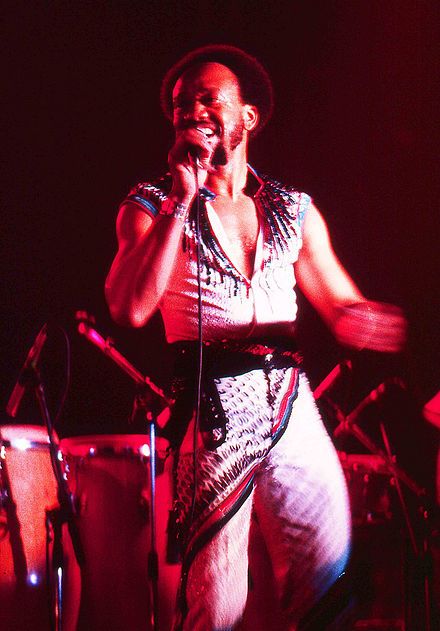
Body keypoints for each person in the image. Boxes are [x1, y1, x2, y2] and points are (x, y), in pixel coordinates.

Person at [105, 45, 407, 631]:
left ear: (247, 116)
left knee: (326, 569)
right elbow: (129, 307)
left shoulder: (293, 210)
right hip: (212, 410)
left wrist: (369, 320)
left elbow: (339, 303)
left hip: (290, 404)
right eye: (180, 103)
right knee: (216, 606)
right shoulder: (147, 207)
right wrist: (179, 198)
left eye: (207, 97)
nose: (191, 109)